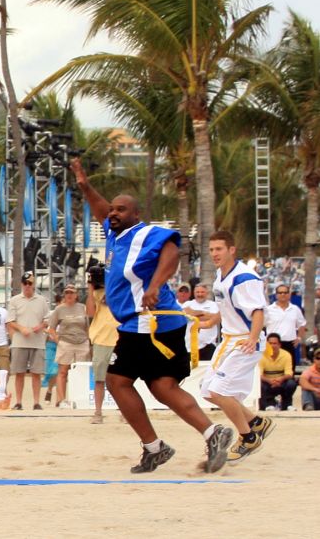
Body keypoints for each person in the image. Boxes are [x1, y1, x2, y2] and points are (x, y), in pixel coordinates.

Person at [72, 159, 233, 474]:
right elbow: (101, 209)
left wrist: (156, 286)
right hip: (151, 322)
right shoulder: (116, 234)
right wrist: (85, 186)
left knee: (118, 381)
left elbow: (172, 252)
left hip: (149, 321)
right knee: (163, 386)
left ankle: (155, 447)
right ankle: (212, 434)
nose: (114, 213)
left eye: (121, 210)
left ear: (136, 215)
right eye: (113, 210)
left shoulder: (146, 233)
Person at [200, 230, 274, 462]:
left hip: (244, 340)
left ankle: (248, 438)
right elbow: (226, 310)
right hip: (227, 340)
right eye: (212, 250)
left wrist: (253, 338)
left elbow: (258, 311)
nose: (215, 254)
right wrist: (208, 322)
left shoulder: (244, 277)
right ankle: (256, 422)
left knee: (219, 391)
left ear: (232, 250)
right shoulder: (221, 277)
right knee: (207, 391)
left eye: (219, 249)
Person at [6, 272, 49, 410]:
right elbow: (10, 321)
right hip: (19, 342)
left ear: (33, 285)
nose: (27, 286)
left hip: (37, 342)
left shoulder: (41, 300)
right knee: (19, 373)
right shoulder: (14, 300)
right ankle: (18, 402)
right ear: (21, 284)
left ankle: (36, 402)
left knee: (37, 373)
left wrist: (40, 326)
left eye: (30, 283)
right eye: (25, 283)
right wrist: (21, 328)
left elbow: (47, 319)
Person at [47, 285, 90, 409]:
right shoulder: (59, 309)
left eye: (71, 292)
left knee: (81, 372)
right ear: (64, 295)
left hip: (82, 342)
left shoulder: (83, 308)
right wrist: (58, 341)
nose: (69, 295)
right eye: (67, 293)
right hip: (65, 342)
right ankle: (61, 399)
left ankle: (80, 399)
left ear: (76, 295)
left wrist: (88, 339)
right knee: (63, 371)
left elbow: (87, 326)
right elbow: (51, 328)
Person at [85, 265, 118, 424]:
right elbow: (90, 313)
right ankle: (98, 412)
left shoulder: (119, 290)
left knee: (122, 379)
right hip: (101, 339)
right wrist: (90, 290)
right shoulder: (96, 294)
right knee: (99, 379)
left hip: (119, 338)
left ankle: (124, 412)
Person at [265, 285, 307, 364]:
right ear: (276, 295)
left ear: (289, 294)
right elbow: (261, 325)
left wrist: (299, 338)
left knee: (290, 371)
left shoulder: (295, 309)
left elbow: (302, 324)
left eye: (285, 292)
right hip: (272, 345)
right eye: (280, 292)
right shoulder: (268, 310)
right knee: (271, 369)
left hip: (289, 344)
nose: (283, 294)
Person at [258, 332, 297, 411]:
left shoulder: (286, 355)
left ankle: (287, 404)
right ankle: (268, 404)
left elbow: (289, 373)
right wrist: (270, 381)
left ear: (279, 345)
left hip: (281, 382)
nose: (272, 346)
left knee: (291, 383)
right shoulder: (260, 355)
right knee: (260, 384)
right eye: (270, 343)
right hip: (267, 383)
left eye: (275, 343)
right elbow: (259, 374)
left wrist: (280, 379)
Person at [183, 283, 220, 362]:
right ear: (194, 293)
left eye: (202, 292)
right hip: (190, 346)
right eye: (197, 292)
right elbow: (186, 313)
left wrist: (194, 313)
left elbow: (217, 318)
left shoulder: (214, 305)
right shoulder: (187, 304)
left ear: (207, 293)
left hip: (209, 345)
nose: (200, 294)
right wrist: (206, 314)